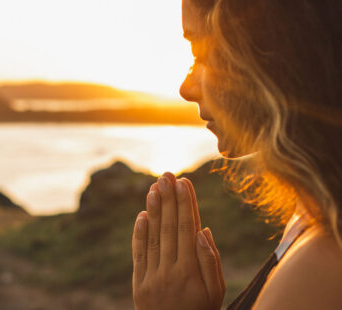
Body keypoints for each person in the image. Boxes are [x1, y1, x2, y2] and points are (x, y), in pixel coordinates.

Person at [131, 0, 342, 309]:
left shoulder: (320, 267)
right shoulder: (311, 217)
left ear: (266, 48)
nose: (185, 88)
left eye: (200, 53)